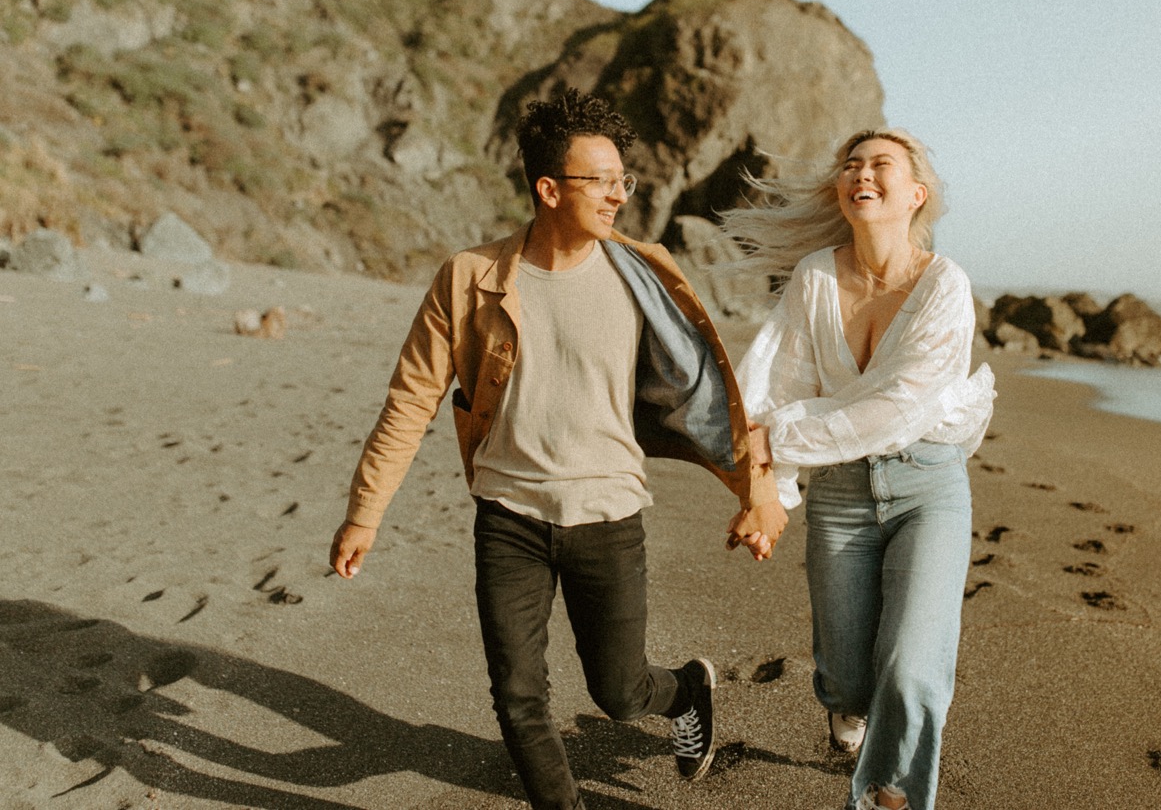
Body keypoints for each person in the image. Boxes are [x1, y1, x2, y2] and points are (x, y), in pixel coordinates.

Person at [329, 87, 788, 810]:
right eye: (600, 181)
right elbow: (411, 397)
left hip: (608, 514)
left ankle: (687, 689)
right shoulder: (469, 277)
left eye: (622, 180)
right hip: (508, 515)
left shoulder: (645, 275)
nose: (618, 195)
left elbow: (712, 393)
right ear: (549, 189)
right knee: (517, 695)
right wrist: (365, 511)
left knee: (620, 690)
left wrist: (756, 492)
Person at [722, 129, 995, 810]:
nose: (860, 173)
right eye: (850, 164)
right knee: (847, 678)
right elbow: (768, 388)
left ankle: (885, 796)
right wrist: (771, 493)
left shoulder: (945, 284)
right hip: (839, 495)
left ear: (915, 194)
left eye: (880, 165)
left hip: (927, 485)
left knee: (909, 672)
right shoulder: (814, 276)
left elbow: (899, 409)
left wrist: (777, 438)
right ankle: (847, 710)